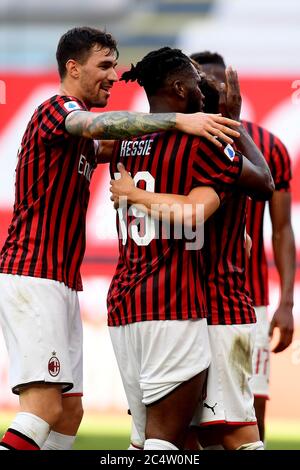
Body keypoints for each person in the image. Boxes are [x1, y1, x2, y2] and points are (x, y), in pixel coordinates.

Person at [0, 28, 241, 452]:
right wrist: (180, 118)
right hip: (32, 273)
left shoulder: (83, 138)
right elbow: (96, 125)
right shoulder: (58, 110)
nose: (114, 76)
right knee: (41, 408)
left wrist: (189, 121)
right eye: (105, 66)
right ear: (73, 68)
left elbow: (129, 144)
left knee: (69, 412)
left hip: (61, 281)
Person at [107, 47, 273, 451]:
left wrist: (132, 194)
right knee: (224, 435)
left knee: (168, 438)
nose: (205, 87)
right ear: (182, 90)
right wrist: (232, 124)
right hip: (195, 307)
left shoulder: (125, 143)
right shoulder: (210, 145)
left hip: (130, 301)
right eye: (199, 82)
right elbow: (261, 184)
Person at [191, 51, 295, 443]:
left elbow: (282, 230)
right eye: (209, 85)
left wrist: (286, 302)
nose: (218, 92)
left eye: (223, 85)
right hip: (188, 300)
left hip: (248, 304)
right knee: (191, 422)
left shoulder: (269, 146)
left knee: (251, 416)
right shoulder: (184, 141)